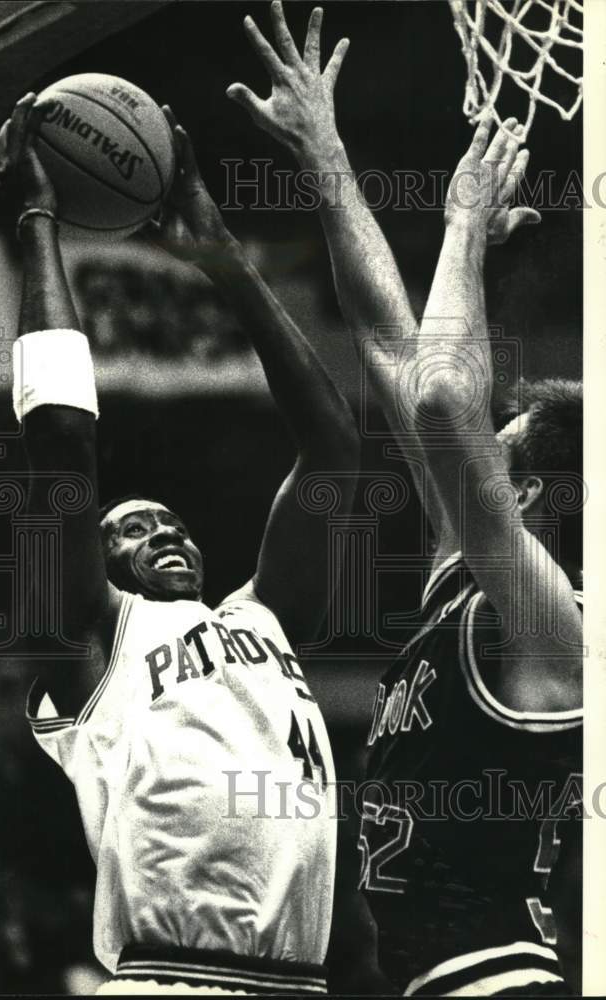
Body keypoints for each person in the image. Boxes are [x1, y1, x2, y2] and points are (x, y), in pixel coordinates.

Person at [230, 3, 582, 995]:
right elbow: (392, 345)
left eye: (497, 439)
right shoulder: (464, 583)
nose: (481, 433)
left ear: (531, 486)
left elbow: (437, 396)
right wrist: (323, 154)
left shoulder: (554, 625)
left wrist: (464, 225)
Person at [0, 92, 360, 995]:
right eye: (128, 528)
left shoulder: (262, 617)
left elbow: (335, 451)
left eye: (172, 524)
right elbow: (62, 440)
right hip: (169, 976)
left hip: (301, 983)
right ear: (94, 559)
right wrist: (37, 215)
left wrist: (225, 262)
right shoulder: (85, 637)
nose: (160, 531)